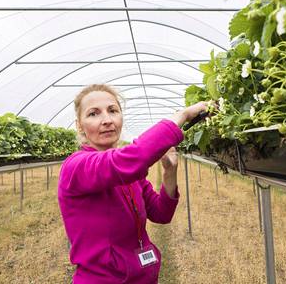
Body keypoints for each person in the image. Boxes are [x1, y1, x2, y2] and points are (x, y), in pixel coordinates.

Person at [58, 84, 208, 283]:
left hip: (143, 276)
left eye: (113, 111)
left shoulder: (132, 176)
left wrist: (169, 172)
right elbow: (127, 160)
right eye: (93, 114)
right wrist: (183, 115)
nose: (107, 120)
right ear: (79, 125)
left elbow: (161, 214)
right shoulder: (76, 167)